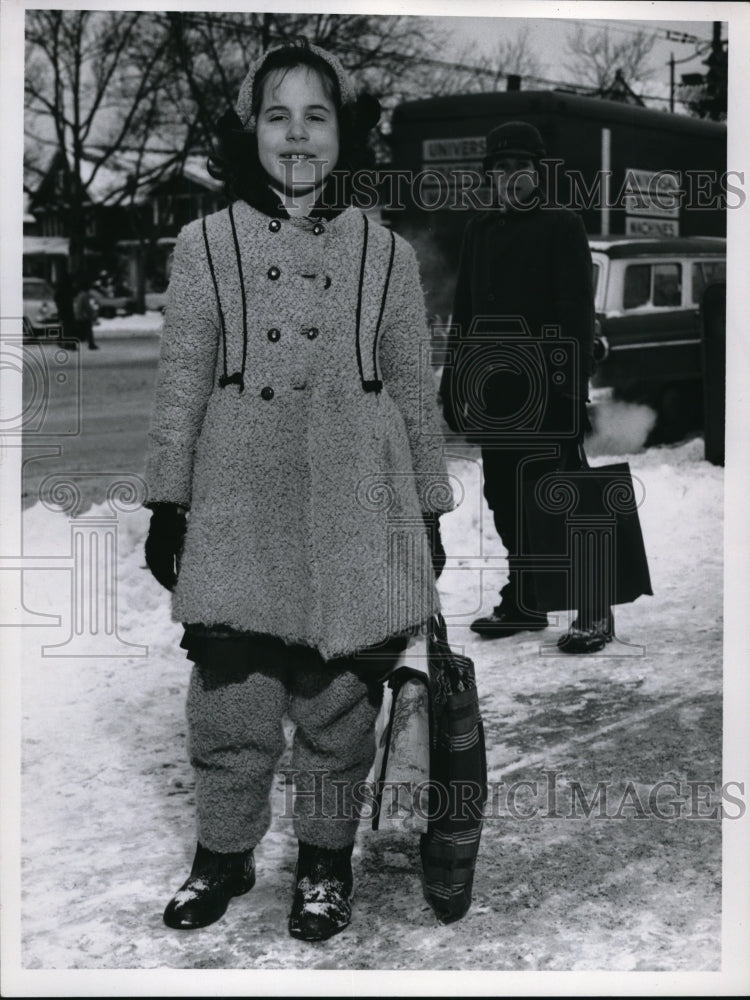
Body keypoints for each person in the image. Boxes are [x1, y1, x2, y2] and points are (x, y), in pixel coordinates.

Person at [143, 39, 452, 942]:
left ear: (343, 133)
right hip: (239, 494)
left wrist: (427, 508)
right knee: (231, 695)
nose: (298, 135)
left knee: (337, 702)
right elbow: (180, 384)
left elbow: (410, 387)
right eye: (278, 115)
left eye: (317, 116)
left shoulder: (384, 253)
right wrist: (169, 499)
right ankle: (224, 853)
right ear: (253, 130)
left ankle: (323, 860)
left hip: (357, 496)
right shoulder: (206, 242)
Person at [440, 120, 610, 654]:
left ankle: (594, 607)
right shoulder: (480, 230)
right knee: (507, 499)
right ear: (489, 174)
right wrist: (454, 380)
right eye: (500, 167)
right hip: (498, 394)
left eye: (520, 166)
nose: (509, 176)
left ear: (538, 173)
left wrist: (569, 388)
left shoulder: (561, 225)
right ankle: (528, 598)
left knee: (563, 496)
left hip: (548, 391)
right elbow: (464, 312)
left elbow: (575, 312)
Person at [72, 277, 99, 349]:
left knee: (80, 331)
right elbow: (87, 306)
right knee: (88, 330)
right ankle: (91, 344)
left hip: (78, 315)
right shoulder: (85, 295)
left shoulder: (80, 294)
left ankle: (73, 344)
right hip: (83, 316)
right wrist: (92, 314)